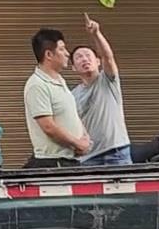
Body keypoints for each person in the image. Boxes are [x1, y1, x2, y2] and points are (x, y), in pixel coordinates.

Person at [23, 27, 93, 165]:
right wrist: (77, 143)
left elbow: (72, 115)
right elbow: (48, 127)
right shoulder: (37, 85)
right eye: (62, 49)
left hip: (71, 157)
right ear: (49, 54)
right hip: (53, 161)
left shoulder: (60, 80)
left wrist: (84, 138)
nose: (67, 54)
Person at [71, 13, 132, 167]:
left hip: (117, 152)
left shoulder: (107, 80)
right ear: (73, 67)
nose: (84, 59)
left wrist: (96, 34)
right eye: (79, 57)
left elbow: (109, 57)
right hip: (88, 158)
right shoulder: (71, 95)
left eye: (88, 55)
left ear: (98, 61)